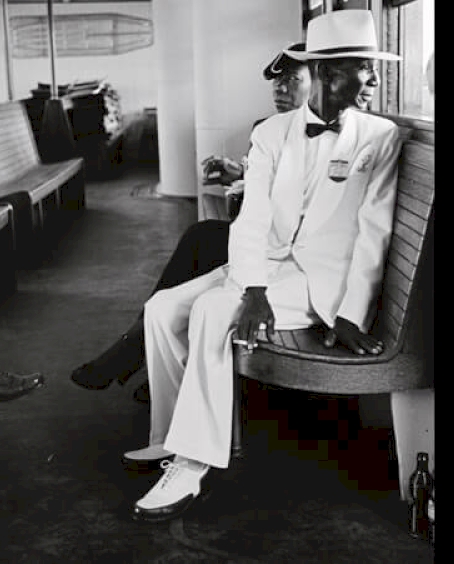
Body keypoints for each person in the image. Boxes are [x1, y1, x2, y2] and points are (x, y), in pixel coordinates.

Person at [128, 9, 404, 522]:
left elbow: (375, 230)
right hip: (268, 268)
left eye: (373, 67)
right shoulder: (272, 134)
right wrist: (252, 286)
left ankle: (193, 464)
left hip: (322, 281)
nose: (373, 79)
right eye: (361, 67)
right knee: (163, 308)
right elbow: (251, 219)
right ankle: (169, 437)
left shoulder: (379, 136)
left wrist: (350, 313)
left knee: (212, 311)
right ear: (323, 71)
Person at [69, 43, 312, 400]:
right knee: (202, 240)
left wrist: (246, 189)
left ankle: (139, 352)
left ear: (320, 82)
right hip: (268, 240)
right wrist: (238, 174)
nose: (280, 89)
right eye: (277, 83)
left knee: (203, 241)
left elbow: (295, 205)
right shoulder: (275, 129)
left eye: (293, 80)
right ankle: (148, 355)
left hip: (288, 257)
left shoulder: (329, 136)